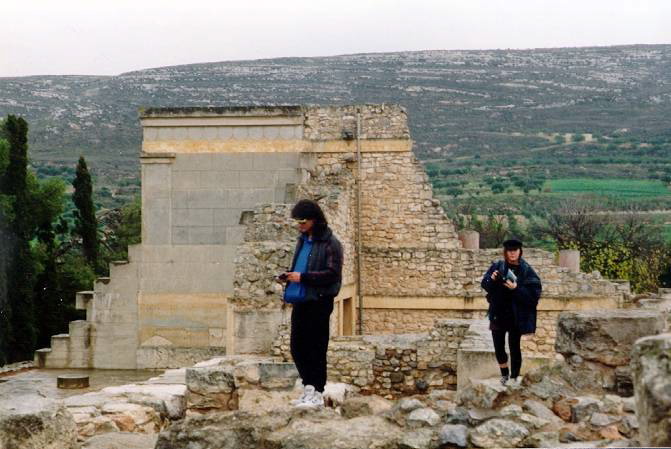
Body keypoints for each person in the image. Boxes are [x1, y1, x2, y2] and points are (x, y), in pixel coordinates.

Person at [279, 199, 343, 408]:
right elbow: (300, 266)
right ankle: (308, 386)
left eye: (303, 221)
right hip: (301, 299)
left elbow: (333, 274)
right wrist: (289, 276)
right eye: (297, 222)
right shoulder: (302, 240)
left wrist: (304, 277)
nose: (300, 225)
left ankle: (317, 390)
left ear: (314, 220)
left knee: (316, 346)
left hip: (320, 300)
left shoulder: (331, 243)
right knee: (297, 346)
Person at [481, 239, 542, 386]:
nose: (512, 253)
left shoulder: (526, 270)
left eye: (515, 250)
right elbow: (485, 284)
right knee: (498, 347)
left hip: (516, 315)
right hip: (498, 313)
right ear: (505, 252)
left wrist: (516, 288)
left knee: (514, 347)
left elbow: (534, 295)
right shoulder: (498, 266)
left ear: (520, 251)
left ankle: (514, 377)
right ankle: (505, 375)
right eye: (509, 251)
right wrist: (492, 278)